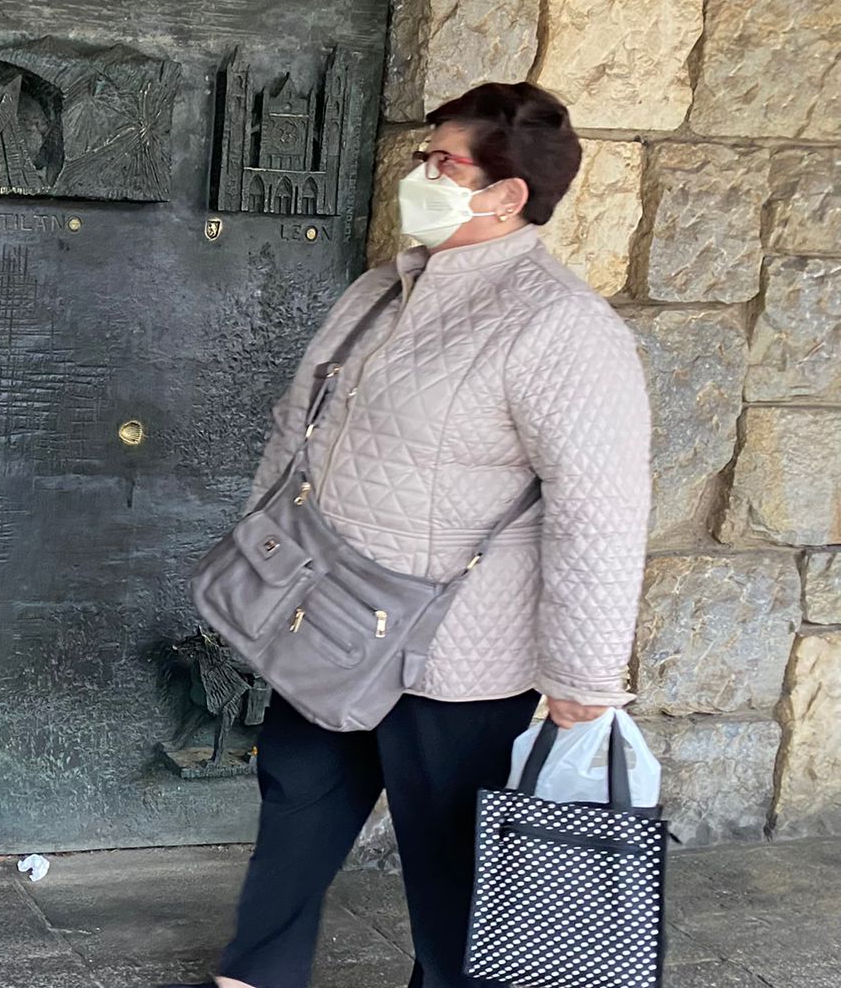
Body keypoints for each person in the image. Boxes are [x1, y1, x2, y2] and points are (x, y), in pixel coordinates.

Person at [170, 82, 652, 988]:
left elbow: (601, 512)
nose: (418, 174)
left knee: (451, 866)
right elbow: (295, 426)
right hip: (327, 617)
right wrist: (260, 552)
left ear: (508, 195)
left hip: (454, 656)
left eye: (443, 162)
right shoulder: (382, 288)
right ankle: (254, 974)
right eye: (422, 157)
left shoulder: (564, 331)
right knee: (297, 797)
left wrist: (584, 682)